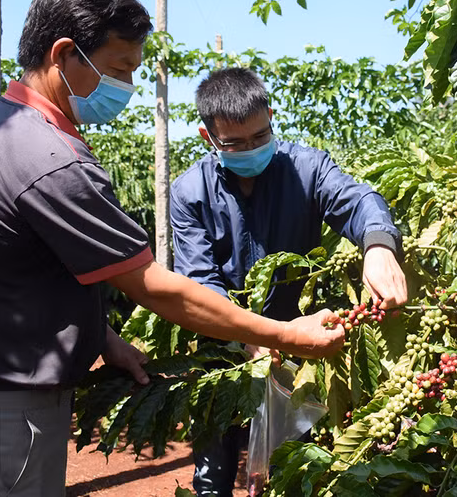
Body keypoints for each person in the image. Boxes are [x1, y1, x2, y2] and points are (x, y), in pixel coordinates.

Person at [0, 0, 344, 497]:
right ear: (64, 54)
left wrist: (102, 337)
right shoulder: (50, 158)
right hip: (0, 420)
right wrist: (283, 334)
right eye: (119, 69)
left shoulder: (5, 124)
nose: (126, 86)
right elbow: (154, 287)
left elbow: (24, 270)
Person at [170, 67, 409, 496]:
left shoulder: (308, 168)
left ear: (271, 118)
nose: (251, 149)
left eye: (260, 136)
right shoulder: (190, 192)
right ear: (209, 138)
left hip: (297, 347)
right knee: (214, 465)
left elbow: (358, 200)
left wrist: (378, 245)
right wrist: (247, 335)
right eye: (235, 143)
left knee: (287, 465)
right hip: (221, 349)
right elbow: (200, 280)